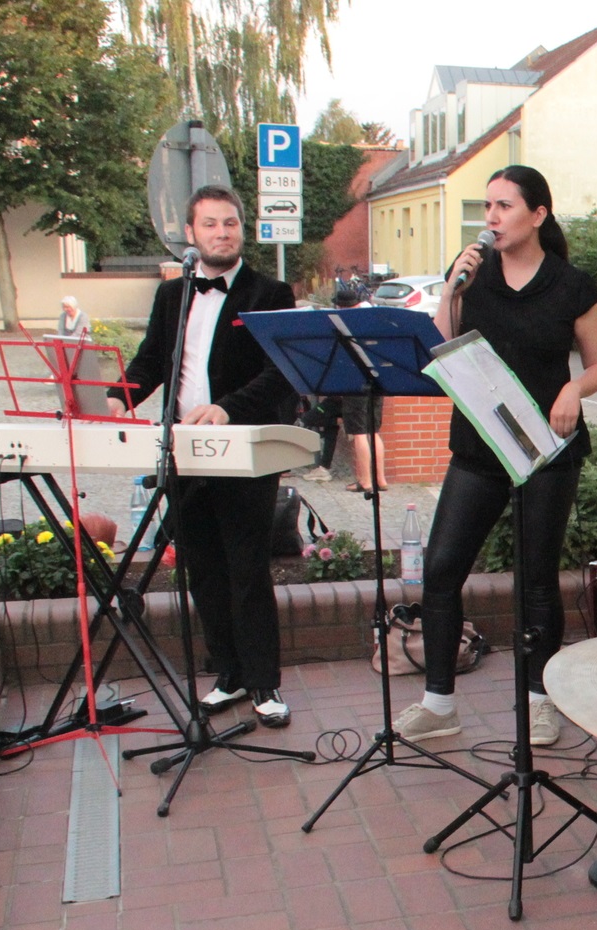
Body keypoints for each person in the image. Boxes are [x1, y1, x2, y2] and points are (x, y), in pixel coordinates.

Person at [393, 165, 597, 749]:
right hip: (479, 443)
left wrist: (573, 390)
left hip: (545, 447)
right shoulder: (472, 276)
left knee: (536, 579)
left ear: (538, 214)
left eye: (504, 206)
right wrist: (451, 290)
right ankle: (439, 704)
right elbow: (437, 348)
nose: (491, 217)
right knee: (442, 569)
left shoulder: (571, 285)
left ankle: (540, 702)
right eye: (487, 206)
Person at [108, 185, 300, 729]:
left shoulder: (270, 292)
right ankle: (229, 673)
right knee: (204, 569)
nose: (222, 233)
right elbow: (151, 360)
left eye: (230, 223)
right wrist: (115, 398)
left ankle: (263, 680)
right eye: (210, 224)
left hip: (242, 449)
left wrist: (226, 408)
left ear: (242, 230)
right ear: (190, 234)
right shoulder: (172, 294)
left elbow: (279, 372)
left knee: (246, 567)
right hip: (183, 450)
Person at [300, 280, 390, 491]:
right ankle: (381, 479)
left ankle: (366, 481)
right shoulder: (371, 319)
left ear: (340, 306)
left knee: (359, 433)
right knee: (374, 431)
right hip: (376, 380)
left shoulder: (345, 324)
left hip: (355, 383)